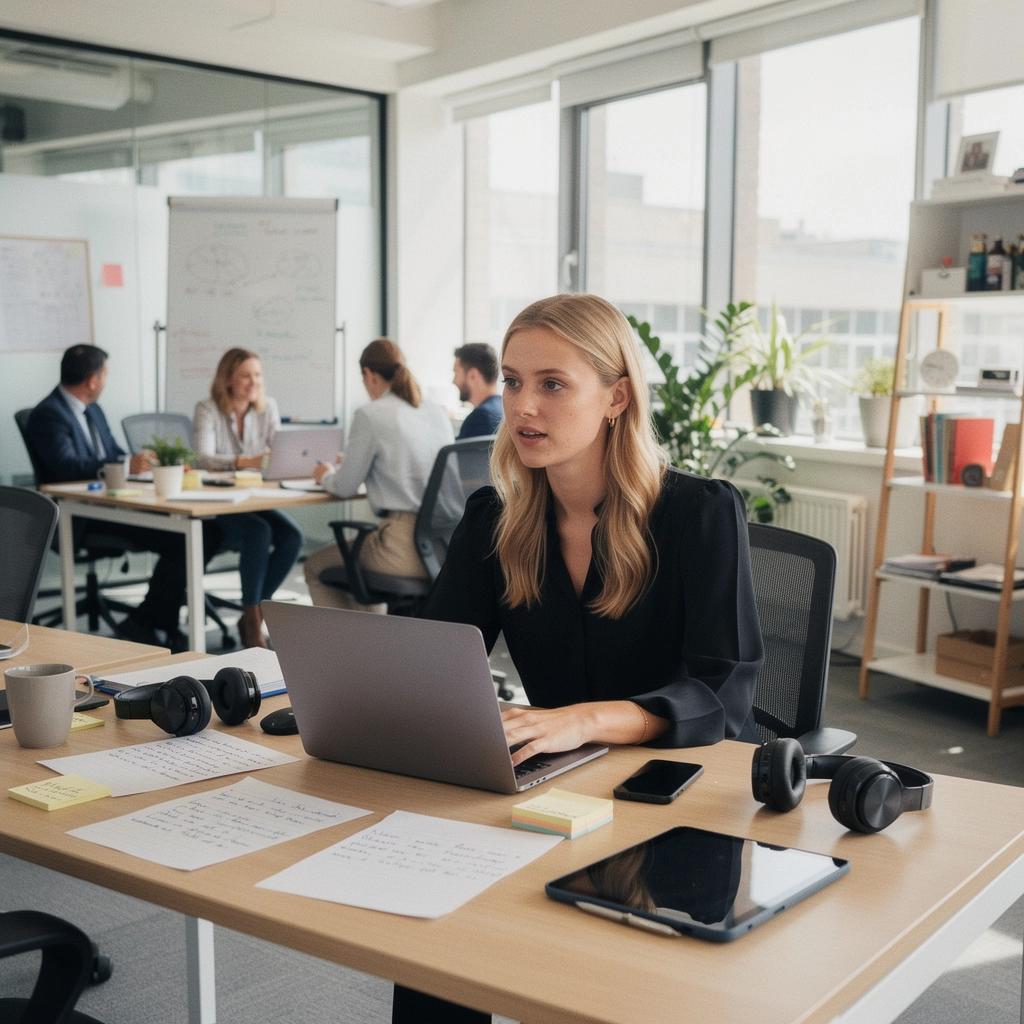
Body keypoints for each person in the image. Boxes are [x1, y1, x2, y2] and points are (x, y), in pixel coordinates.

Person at [402, 293, 763, 1022]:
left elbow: (727, 694)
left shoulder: (698, 515)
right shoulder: (495, 520)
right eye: (511, 381)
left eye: (552, 384)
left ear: (616, 397)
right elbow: (430, 661)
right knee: (434, 942)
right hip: (551, 788)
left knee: (613, 985)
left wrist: (583, 721)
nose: (522, 405)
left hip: (677, 800)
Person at [26, 344, 218, 650]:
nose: (105, 381)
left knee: (203, 533)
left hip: (112, 504)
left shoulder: (93, 410)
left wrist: (137, 462)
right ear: (92, 380)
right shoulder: (48, 414)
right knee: (184, 539)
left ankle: (150, 620)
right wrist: (125, 464)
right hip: (83, 516)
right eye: (104, 375)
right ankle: (151, 621)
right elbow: (66, 468)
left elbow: (112, 454)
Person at [303, 338, 454, 611]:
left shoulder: (370, 414)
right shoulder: (434, 411)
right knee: (357, 570)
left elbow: (344, 487)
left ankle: (344, 653)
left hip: (399, 549)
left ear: (369, 375)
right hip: (441, 549)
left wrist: (326, 474)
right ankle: (371, 646)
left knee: (315, 567)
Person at [193, 348, 303, 648]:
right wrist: (245, 461)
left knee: (292, 537)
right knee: (259, 531)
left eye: (257, 374)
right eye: (245, 375)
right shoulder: (207, 408)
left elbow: (278, 454)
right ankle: (254, 621)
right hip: (218, 501)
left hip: (254, 498)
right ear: (227, 379)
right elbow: (202, 458)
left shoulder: (267, 408)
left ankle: (252, 611)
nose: (252, 382)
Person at [453, 342, 502, 439]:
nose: (454, 381)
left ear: (473, 376)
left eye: (456, 373)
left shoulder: (479, 418)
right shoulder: (503, 408)